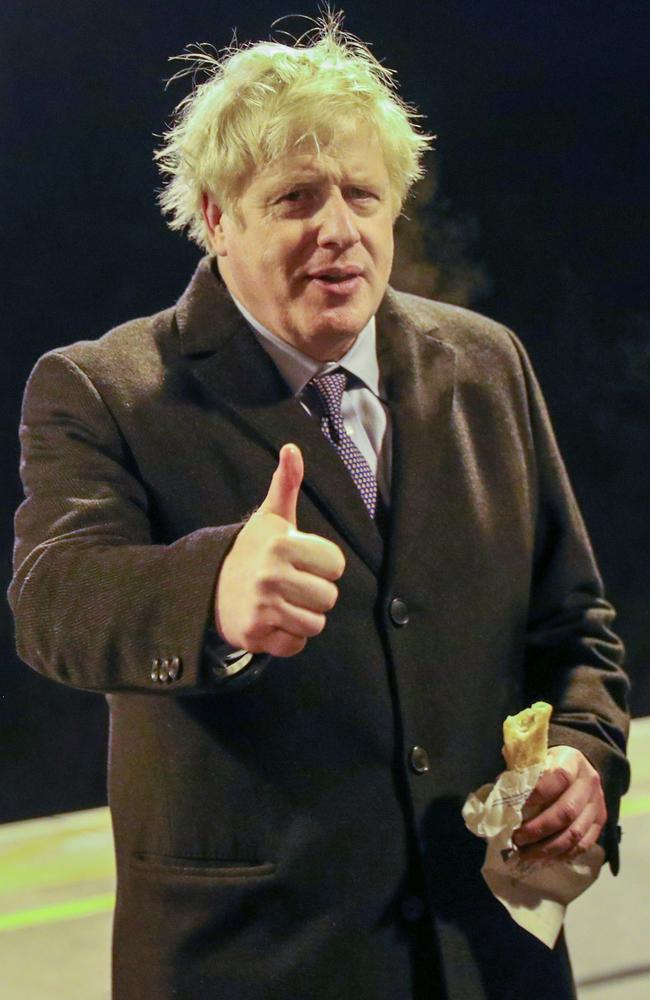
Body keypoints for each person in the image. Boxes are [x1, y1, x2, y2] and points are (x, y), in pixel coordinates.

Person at [9, 15, 630, 1000]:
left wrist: (581, 760)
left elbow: (572, 628)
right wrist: (212, 591)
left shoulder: (484, 364)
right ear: (217, 218)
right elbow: (52, 602)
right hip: (254, 969)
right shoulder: (102, 389)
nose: (338, 227)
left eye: (362, 195)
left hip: (492, 962)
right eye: (295, 197)